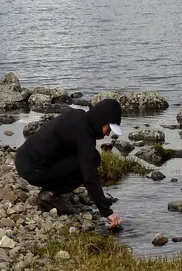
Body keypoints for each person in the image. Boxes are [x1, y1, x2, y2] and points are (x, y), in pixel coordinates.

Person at [15, 97, 125, 229]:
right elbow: (90, 176)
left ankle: (51, 189)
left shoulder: (78, 116)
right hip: (33, 169)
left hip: (25, 159)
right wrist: (107, 211)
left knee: (90, 156)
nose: (108, 134)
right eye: (108, 129)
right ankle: (50, 194)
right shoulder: (83, 135)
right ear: (101, 120)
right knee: (90, 161)